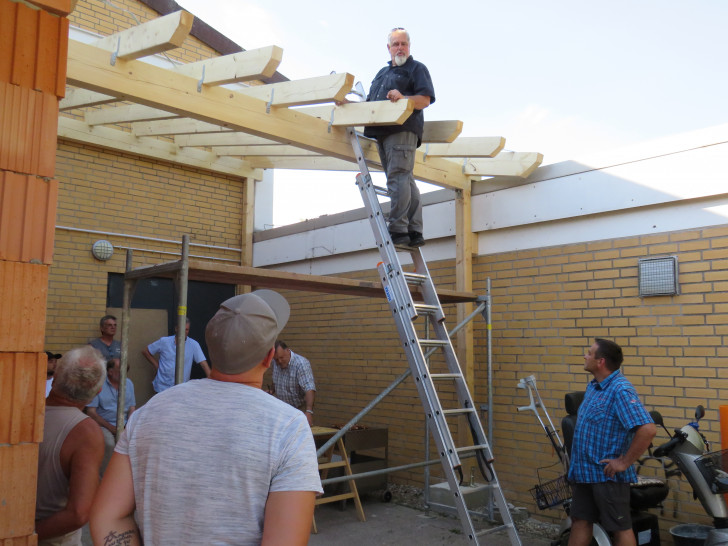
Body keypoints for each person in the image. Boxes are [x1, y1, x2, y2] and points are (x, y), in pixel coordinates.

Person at [90, 290, 323, 545]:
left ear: (209, 348)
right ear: (269, 358)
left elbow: (107, 516)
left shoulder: (148, 412)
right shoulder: (289, 427)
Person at [567, 338, 657, 546]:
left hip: (607, 476)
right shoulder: (594, 387)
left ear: (601, 361)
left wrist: (624, 462)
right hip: (584, 473)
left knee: (620, 527)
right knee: (580, 521)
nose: (585, 356)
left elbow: (647, 429)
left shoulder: (620, 390)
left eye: (589, 353)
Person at [364, 27, 435, 248]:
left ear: (409, 46)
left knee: (398, 178)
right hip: (382, 133)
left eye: (403, 44)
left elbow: (424, 100)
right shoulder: (381, 74)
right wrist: (348, 106)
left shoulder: (416, 68)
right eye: (396, 44)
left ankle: (398, 228)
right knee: (404, 179)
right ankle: (414, 230)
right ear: (389, 48)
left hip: (402, 130)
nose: (400, 48)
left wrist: (404, 98)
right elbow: (370, 104)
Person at [36, 346, 106, 546]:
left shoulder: (22, 410)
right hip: (52, 538)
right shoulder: (86, 432)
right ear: (98, 391)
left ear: (55, 376)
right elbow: (79, 513)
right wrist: (25, 535)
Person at [86, 358, 136, 475]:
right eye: (120, 370)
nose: (124, 373)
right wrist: (110, 427)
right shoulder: (99, 385)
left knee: (135, 441)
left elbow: (132, 409)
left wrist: (129, 425)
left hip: (124, 424)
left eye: (126, 370)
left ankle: (126, 476)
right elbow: (91, 412)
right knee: (109, 443)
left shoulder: (129, 384)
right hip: (103, 424)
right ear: (110, 371)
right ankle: (105, 477)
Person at [141, 318, 210, 393]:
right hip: (162, 386)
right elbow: (146, 351)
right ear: (176, 328)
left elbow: (203, 364)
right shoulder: (164, 341)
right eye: (182, 329)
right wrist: (157, 366)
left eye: (187, 329)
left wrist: (212, 382)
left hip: (181, 388)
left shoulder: (193, 344)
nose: (184, 332)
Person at [269, 340, 316, 426]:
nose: (279, 361)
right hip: (282, 410)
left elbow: (309, 388)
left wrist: (309, 411)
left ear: (287, 350)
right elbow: (276, 379)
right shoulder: (275, 363)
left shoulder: (301, 364)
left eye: (282, 358)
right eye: (276, 359)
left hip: (298, 410)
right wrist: (271, 390)